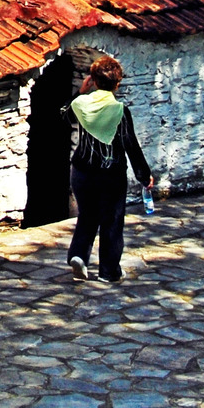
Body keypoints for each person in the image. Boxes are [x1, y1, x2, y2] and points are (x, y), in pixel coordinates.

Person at [59, 54, 153, 283]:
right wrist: (143, 175)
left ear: (93, 80)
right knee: (111, 221)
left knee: (87, 216)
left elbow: (64, 115)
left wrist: (81, 91)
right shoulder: (119, 111)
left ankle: (79, 256)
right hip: (110, 175)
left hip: (81, 172)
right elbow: (130, 144)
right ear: (117, 84)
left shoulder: (82, 104)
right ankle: (109, 272)